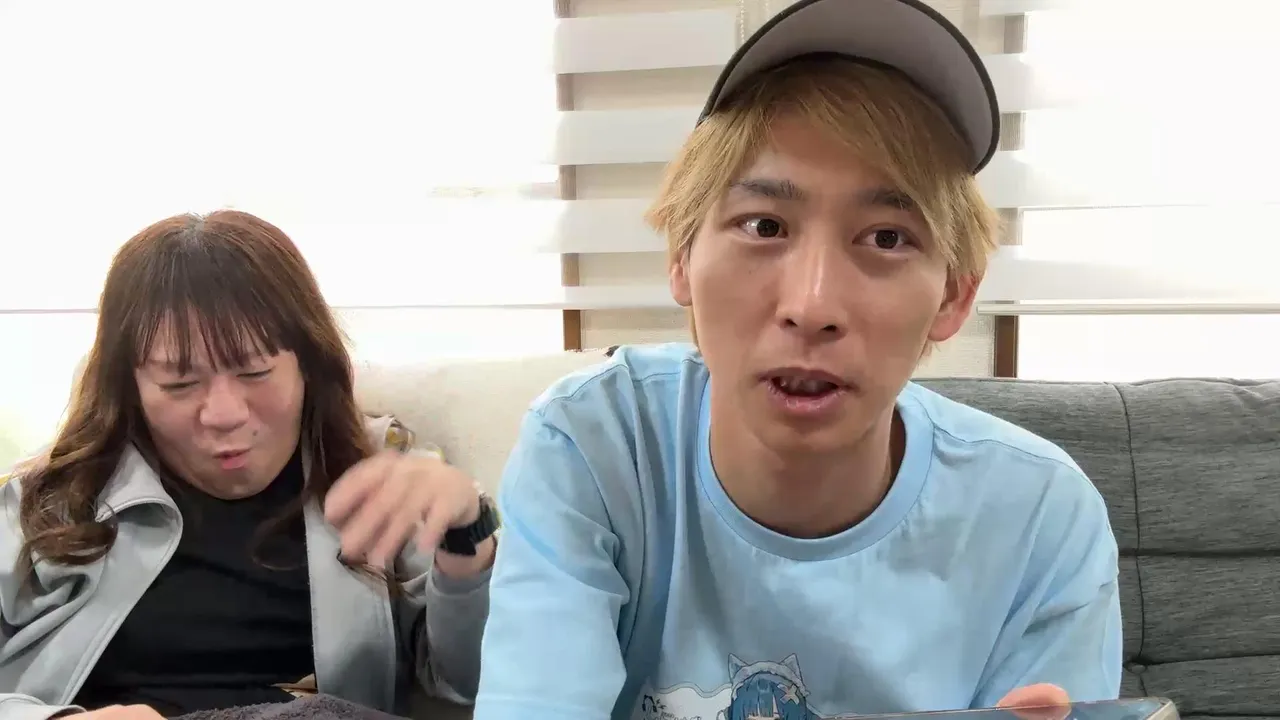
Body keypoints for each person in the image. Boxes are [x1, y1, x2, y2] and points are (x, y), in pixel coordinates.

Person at [473, 1, 1122, 719]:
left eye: (886, 238)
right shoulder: (595, 445)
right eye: (764, 226)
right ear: (682, 258)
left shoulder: (1040, 516)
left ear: (954, 296)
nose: (812, 306)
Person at [0, 210, 500, 720]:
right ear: (129, 387)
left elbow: (473, 682)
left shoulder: (385, 479)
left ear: (308, 364)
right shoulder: (43, 506)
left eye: (255, 372)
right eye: (179, 384)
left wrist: (466, 531)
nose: (224, 415)